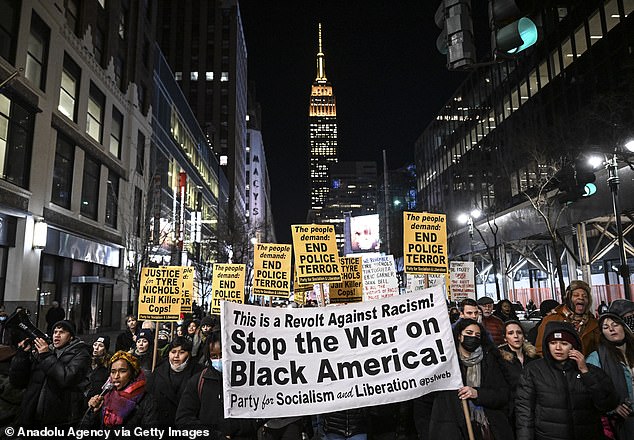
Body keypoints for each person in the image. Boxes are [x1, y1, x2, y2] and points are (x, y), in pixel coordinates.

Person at [516, 321, 619, 440]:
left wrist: (585, 372)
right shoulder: (534, 370)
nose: (558, 348)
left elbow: (608, 404)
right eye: (553, 343)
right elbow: (524, 411)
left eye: (564, 343)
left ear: (573, 346)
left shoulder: (591, 371)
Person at [413, 319, 513, 439]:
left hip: (487, 428)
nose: (473, 338)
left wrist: (478, 394)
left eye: (477, 335)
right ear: (459, 336)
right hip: (453, 429)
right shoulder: (446, 363)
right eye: (469, 333)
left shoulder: (490, 360)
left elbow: (502, 395)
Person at [175, 329, 261, 438]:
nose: (219, 360)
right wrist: (215, 436)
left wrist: (234, 430)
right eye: (214, 356)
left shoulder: (249, 380)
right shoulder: (198, 382)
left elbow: (258, 416)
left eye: (222, 355)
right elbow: (183, 419)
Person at [9, 320, 91, 427]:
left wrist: (46, 356)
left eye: (62, 332)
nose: (57, 335)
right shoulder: (46, 351)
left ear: (71, 337)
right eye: (55, 332)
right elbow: (18, 382)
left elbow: (67, 378)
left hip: (59, 421)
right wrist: (22, 355)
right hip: (31, 417)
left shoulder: (81, 354)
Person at [586, 309, 634, 439]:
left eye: (615, 325)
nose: (612, 329)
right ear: (603, 333)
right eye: (606, 327)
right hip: (622, 423)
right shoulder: (597, 357)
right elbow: (590, 390)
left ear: (624, 327)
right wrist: (612, 408)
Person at [82, 350, 159, 428]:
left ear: (132, 373)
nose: (116, 376)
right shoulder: (105, 396)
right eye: (113, 372)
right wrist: (92, 413)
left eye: (122, 371)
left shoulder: (146, 400)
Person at [146, 336, 203, 427]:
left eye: (181, 352)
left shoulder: (199, 373)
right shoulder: (159, 372)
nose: (176, 356)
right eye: (173, 352)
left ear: (189, 354)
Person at [535, 280, 600, 356]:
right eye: (576, 295)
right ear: (568, 298)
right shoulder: (551, 320)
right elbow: (540, 349)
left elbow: (599, 350)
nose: (581, 298)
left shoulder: (593, 323)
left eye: (585, 296)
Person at [498, 320, 538, 429]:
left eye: (519, 332)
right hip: (512, 411)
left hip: (534, 408)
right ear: (505, 338)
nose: (516, 336)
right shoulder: (499, 359)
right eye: (511, 333)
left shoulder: (534, 357)